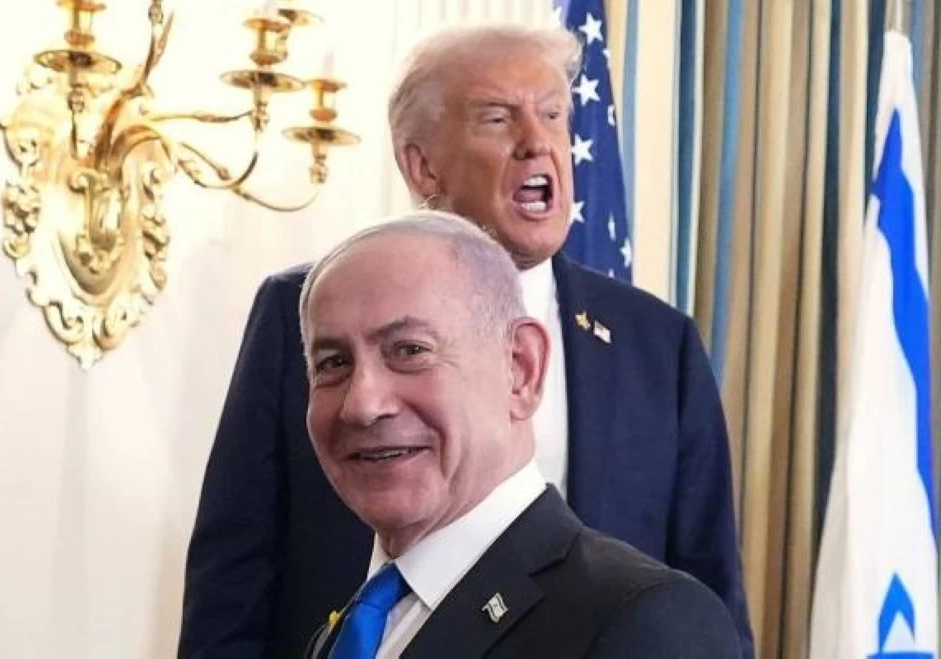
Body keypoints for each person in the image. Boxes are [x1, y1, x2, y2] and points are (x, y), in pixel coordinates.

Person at [180, 23, 752, 658]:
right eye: (498, 118)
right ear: (422, 163)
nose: (537, 143)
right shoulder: (307, 305)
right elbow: (234, 573)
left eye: (554, 115)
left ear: (522, 366)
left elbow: (708, 589)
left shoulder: (657, 342)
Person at [299, 212, 739, 658]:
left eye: (410, 350)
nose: (362, 405)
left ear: (520, 370)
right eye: (333, 363)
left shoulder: (645, 622)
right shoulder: (351, 628)